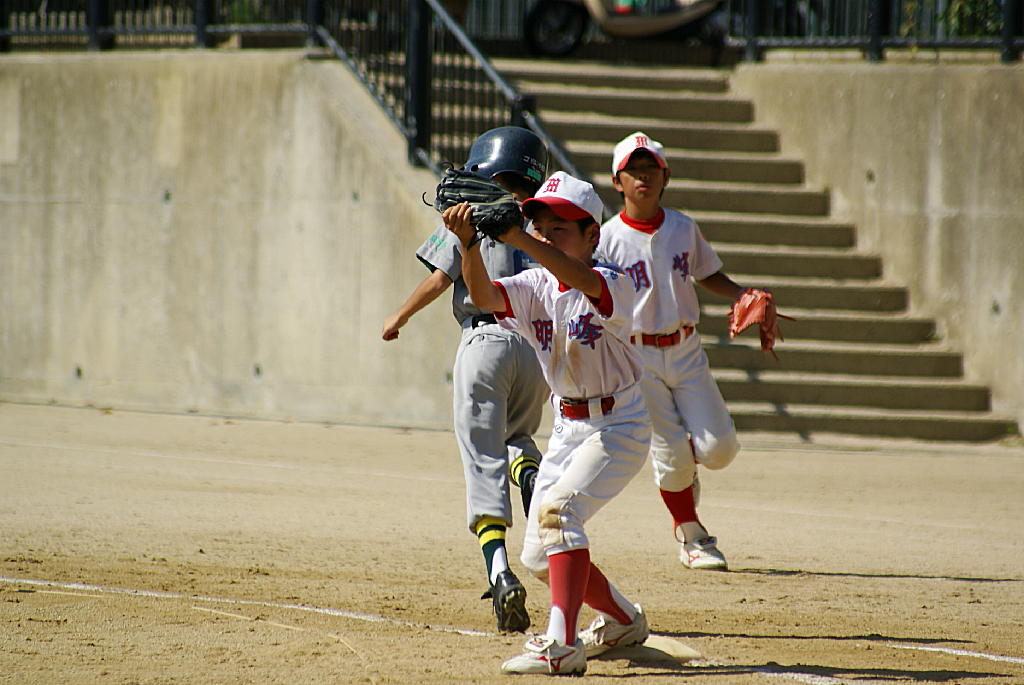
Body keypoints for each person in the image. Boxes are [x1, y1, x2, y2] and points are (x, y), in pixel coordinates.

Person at [444, 171, 652, 676]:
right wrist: (469, 244)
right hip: (567, 427)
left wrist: (519, 237)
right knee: (538, 556)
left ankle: (562, 644)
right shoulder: (535, 284)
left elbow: (582, 281)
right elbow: (484, 297)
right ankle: (623, 619)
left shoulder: (614, 282)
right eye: (540, 224)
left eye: (560, 228)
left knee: (559, 514)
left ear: (592, 235)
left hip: (617, 425)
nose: (545, 233)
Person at [381, 127, 550, 633]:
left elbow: (440, 278)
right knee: (516, 437)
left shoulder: (469, 214)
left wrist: (399, 316)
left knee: (481, 460)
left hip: (485, 341)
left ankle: (500, 573)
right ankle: (530, 473)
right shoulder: (543, 221)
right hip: (536, 350)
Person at [597, 131, 745, 571]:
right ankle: (693, 537)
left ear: (666, 177)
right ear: (617, 181)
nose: (642, 177)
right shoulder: (606, 239)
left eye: (651, 169)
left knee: (720, 450)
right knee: (672, 455)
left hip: (685, 348)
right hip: (636, 355)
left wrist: (743, 294)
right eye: (633, 170)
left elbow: (707, 272)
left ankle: (683, 471)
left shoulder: (683, 227)